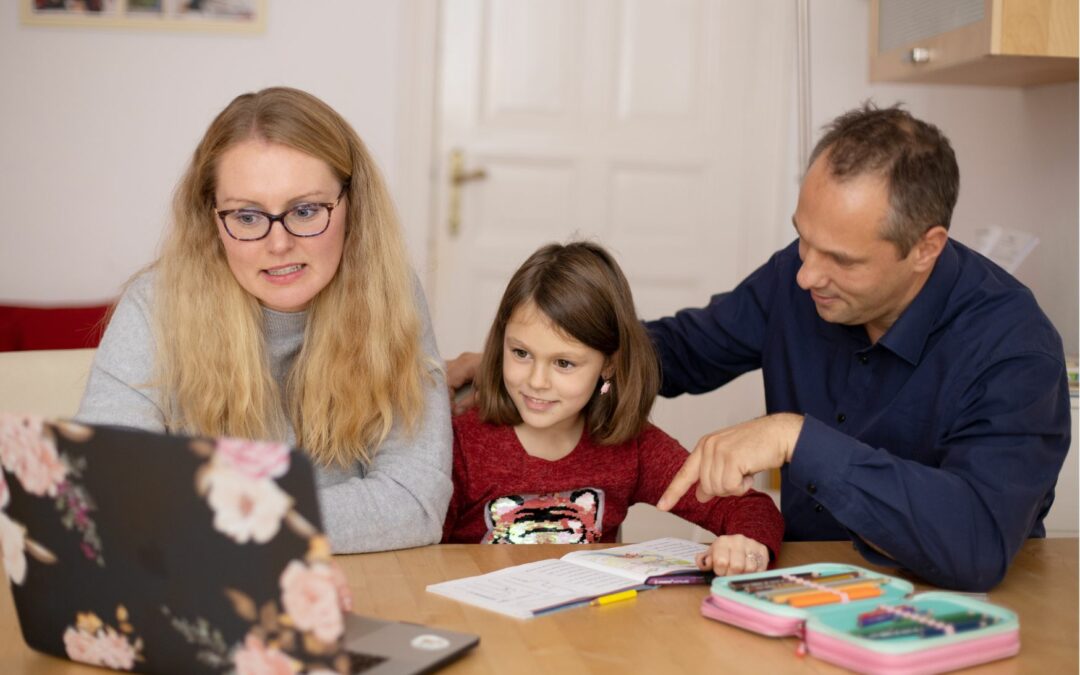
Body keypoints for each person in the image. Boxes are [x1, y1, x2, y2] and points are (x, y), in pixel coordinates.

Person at [449, 103, 1071, 591]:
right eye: (803, 240)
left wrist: (798, 438)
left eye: (841, 260)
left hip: (945, 607)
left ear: (926, 249)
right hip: (794, 587)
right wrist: (564, 355)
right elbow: (681, 349)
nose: (805, 276)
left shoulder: (1014, 351)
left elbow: (978, 546)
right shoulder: (796, 280)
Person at [77, 87, 452, 553]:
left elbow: (415, 502)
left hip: (359, 585)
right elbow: (105, 494)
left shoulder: (392, 295)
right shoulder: (154, 306)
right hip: (203, 594)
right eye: (248, 216)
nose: (278, 244)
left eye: (306, 210)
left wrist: (205, 517)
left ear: (353, 205)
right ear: (211, 218)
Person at [442, 242, 784, 576]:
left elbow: (750, 506)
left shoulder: (631, 447)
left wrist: (746, 545)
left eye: (563, 362)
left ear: (608, 365)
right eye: (521, 353)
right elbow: (419, 554)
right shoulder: (462, 445)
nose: (536, 381)